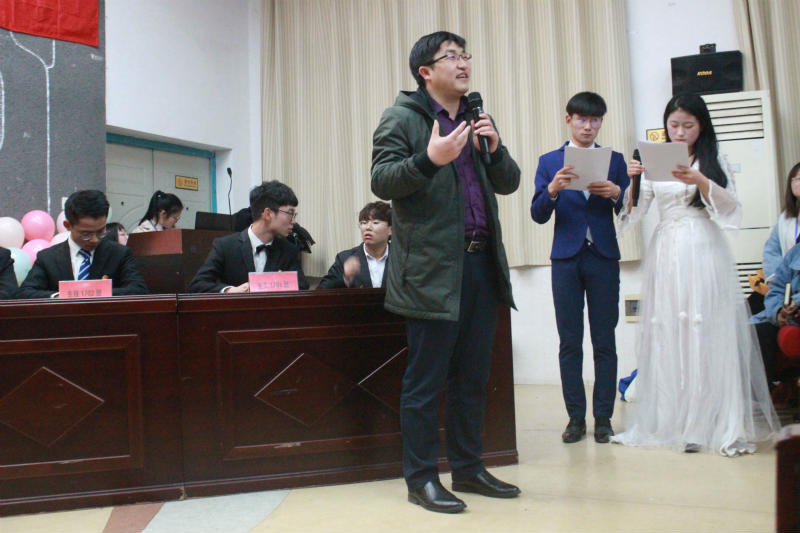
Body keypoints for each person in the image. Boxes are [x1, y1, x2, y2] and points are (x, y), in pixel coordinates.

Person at [371, 31, 521, 514]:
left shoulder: (476, 118)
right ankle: (420, 479)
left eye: (465, 55)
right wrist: (429, 159)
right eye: (451, 57)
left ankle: (469, 469)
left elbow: (509, 183)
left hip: (480, 264)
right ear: (425, 71)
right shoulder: (402, 118)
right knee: (426, 382)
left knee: (472, 378)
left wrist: (495, 149)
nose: (463, 64)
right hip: (432, 270)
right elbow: (382, 179)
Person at [610, 93, 779, 456]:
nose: (680, 132)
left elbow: (730, 207)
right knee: (670, 329)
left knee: (705, 328)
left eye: (688, 125)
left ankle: (711, 422)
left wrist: (699, 178)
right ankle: (677, 420)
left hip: (702, 246)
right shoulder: (656, 158)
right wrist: (633, 180)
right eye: (674, 125)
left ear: (701, 126)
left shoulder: (712, 159)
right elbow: (634, 213)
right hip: (667, 249)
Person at [530, 92, 629, 444]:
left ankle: (603, 417)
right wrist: (553, 190)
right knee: (569, 341)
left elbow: (630, 211)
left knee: (605, 341)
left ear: (601, 122)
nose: (588, 126)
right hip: (566, 259)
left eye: (595, 120)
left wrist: (617, 192)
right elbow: (538, 214)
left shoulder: (615, 160)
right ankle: (575, 417)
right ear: (568, 119)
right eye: (582, 119)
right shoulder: (549, 161)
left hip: (603, 256)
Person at [17, 190, 148, 299]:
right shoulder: (48, 258)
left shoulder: (119, 254)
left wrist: (91, 294)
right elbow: (25, 293)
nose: (94, 240)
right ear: (67, 225)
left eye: (101, 232)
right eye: (86, 234)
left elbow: (138, 290)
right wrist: (60, 297)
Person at [188, 180, 309, 293]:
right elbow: (198, 284)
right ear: (268, 214)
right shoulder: (225, 246)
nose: (293, 221)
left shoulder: (288, 249)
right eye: (290, 213)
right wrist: (230, 291)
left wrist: (284, 283)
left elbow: (303, 286)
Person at [317, 201, 391, 289]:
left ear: (390, 230)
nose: (368, 227)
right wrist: (345, 278)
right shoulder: (344, 258)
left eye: (375, 222)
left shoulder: (402, 259)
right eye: (364, 223)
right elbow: (321, 291)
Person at [763, 162, 800, 281]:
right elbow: (772, 250)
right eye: (797, 179)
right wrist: (777, 279)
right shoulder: (785, 217)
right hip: (790, 281)